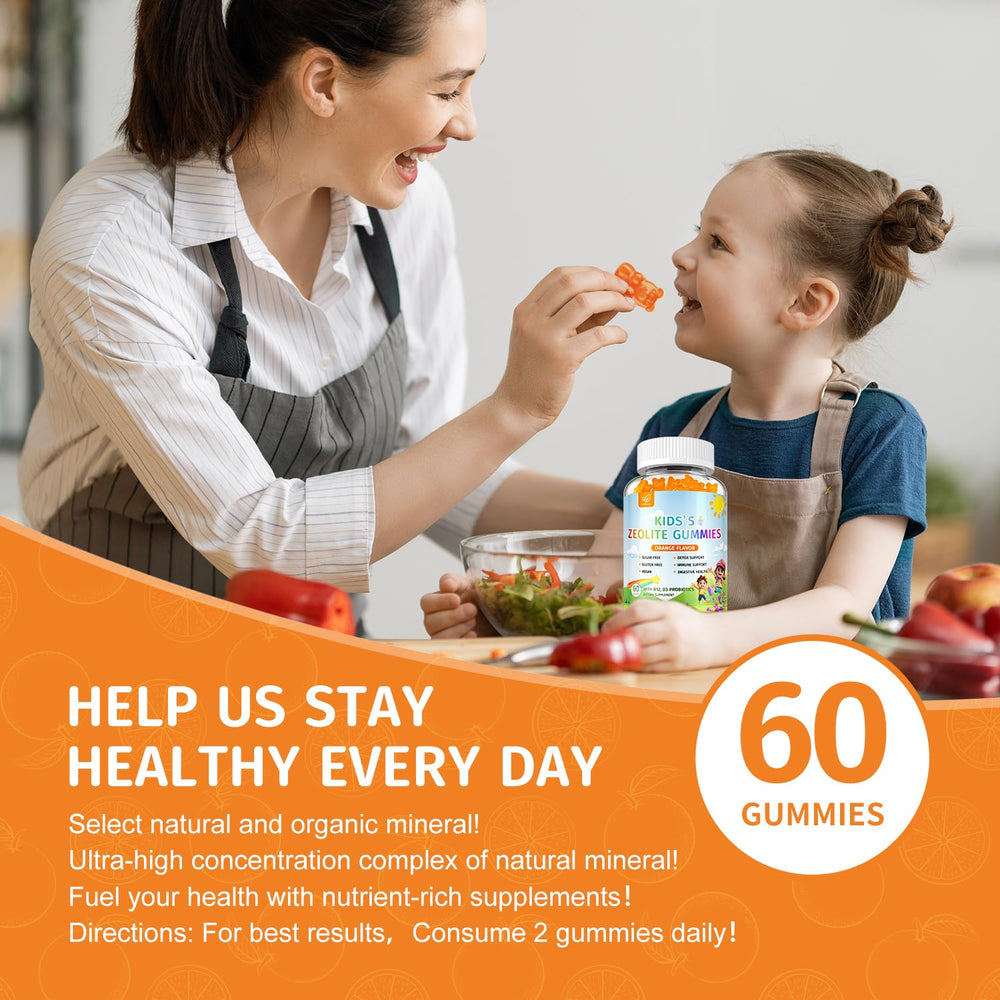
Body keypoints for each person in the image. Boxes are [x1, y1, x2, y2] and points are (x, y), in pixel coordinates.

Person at [17, 0, 634, 628]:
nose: (468, 124)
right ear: (324, 83)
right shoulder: (112, 248)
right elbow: (260, 540)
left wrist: (653, 516)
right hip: (122, 661)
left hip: (323, 652)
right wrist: (516, 409)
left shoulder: (406, 209)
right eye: (448, 89)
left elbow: (429, 460)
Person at [422, 149, 950, 670]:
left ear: (806, 303)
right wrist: (507, 617)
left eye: (717, 242)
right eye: (697, 231)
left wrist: (709, 641)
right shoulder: (673, 429)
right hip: (677, 712)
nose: (681, 253)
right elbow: (604, 589)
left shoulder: (880, 429)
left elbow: (845, 611)